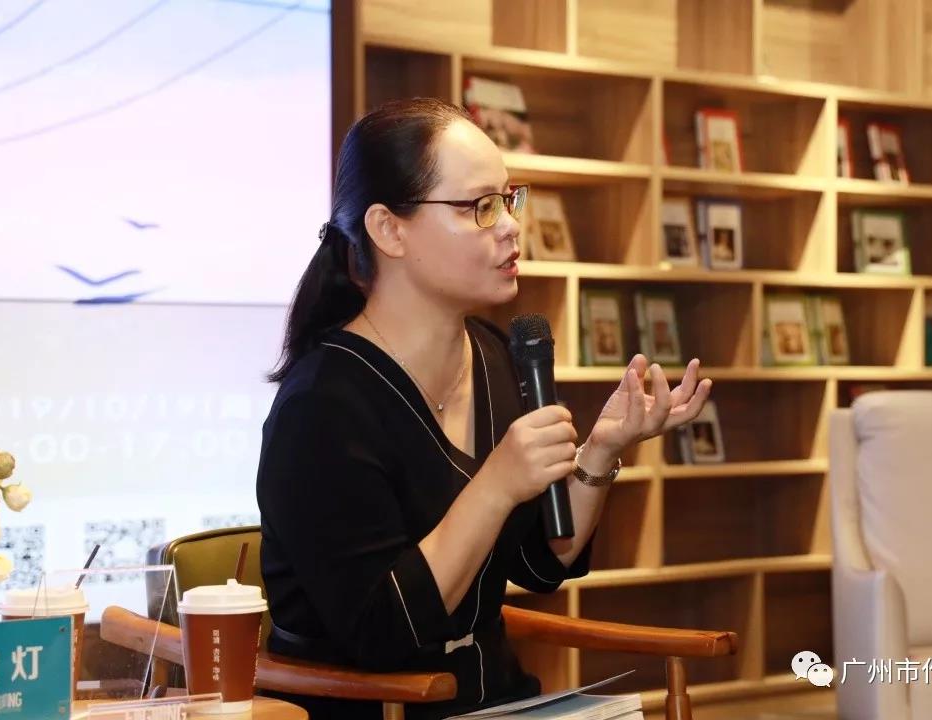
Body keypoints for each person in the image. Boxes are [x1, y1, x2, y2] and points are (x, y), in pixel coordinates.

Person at [255, 98, 712, 720]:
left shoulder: (497, 356)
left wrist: (601, 452)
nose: (511, 227)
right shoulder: (321, 406)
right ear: (389, 229)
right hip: (373, 707)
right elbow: (382, 629)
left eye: (508, 199)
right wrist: (496, 484)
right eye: (479, 207)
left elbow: (542, 560)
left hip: (493, 699)